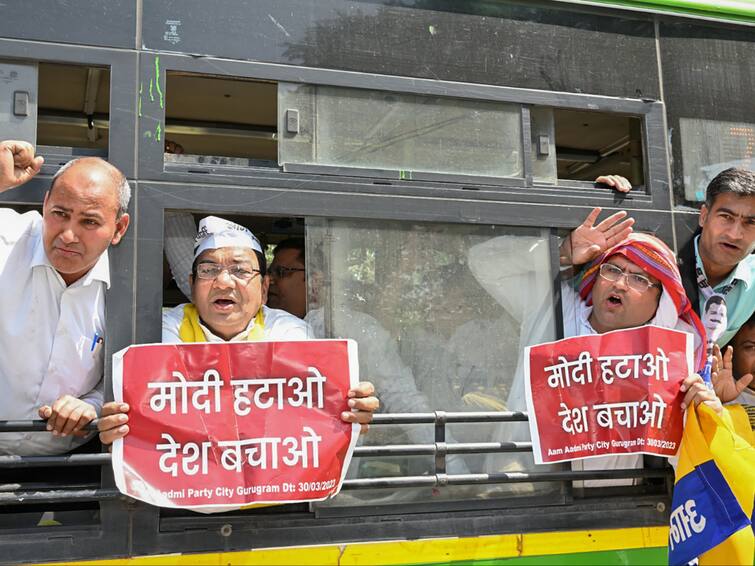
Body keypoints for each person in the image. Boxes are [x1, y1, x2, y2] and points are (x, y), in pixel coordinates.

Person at [472, 208, 720, 486]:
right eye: (612, 270)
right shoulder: (553, 305)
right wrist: (561, 253)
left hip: (608, 512)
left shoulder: (669, 360)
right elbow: (482, 261)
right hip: (519, 489)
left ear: (661, 302)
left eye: (639, 279)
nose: (620, 284)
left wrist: (704, 413)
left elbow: (681, 461)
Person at [98, 217, 378, 444]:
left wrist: (347, 410)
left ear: (264, 289)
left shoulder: (288, 330)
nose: (223, 282)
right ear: (192, 286)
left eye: (240, 271)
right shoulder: (162, 328)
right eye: (208, 270)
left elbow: (313, 400)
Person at [0, 140, 131, 455]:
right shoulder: (6, 239)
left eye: (89, 222)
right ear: (45, 205)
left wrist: (92, 406)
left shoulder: (131, 285)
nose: (68, 235)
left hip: (70, 468)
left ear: (119, 228)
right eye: (60, 213)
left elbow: (126, 375)